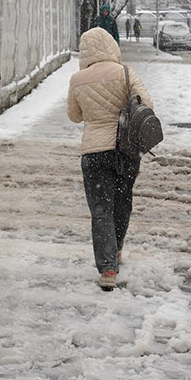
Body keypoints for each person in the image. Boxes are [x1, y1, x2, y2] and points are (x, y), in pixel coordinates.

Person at [66, 26, 154, 291]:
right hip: (124, 151)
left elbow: (75, 116)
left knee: (100, 210)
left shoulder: (77, 79)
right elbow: (147, 104)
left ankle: (107, 269)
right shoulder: (125, 73)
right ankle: (116, 251)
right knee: (122, 203)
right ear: (112, 47)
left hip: (93, 152)